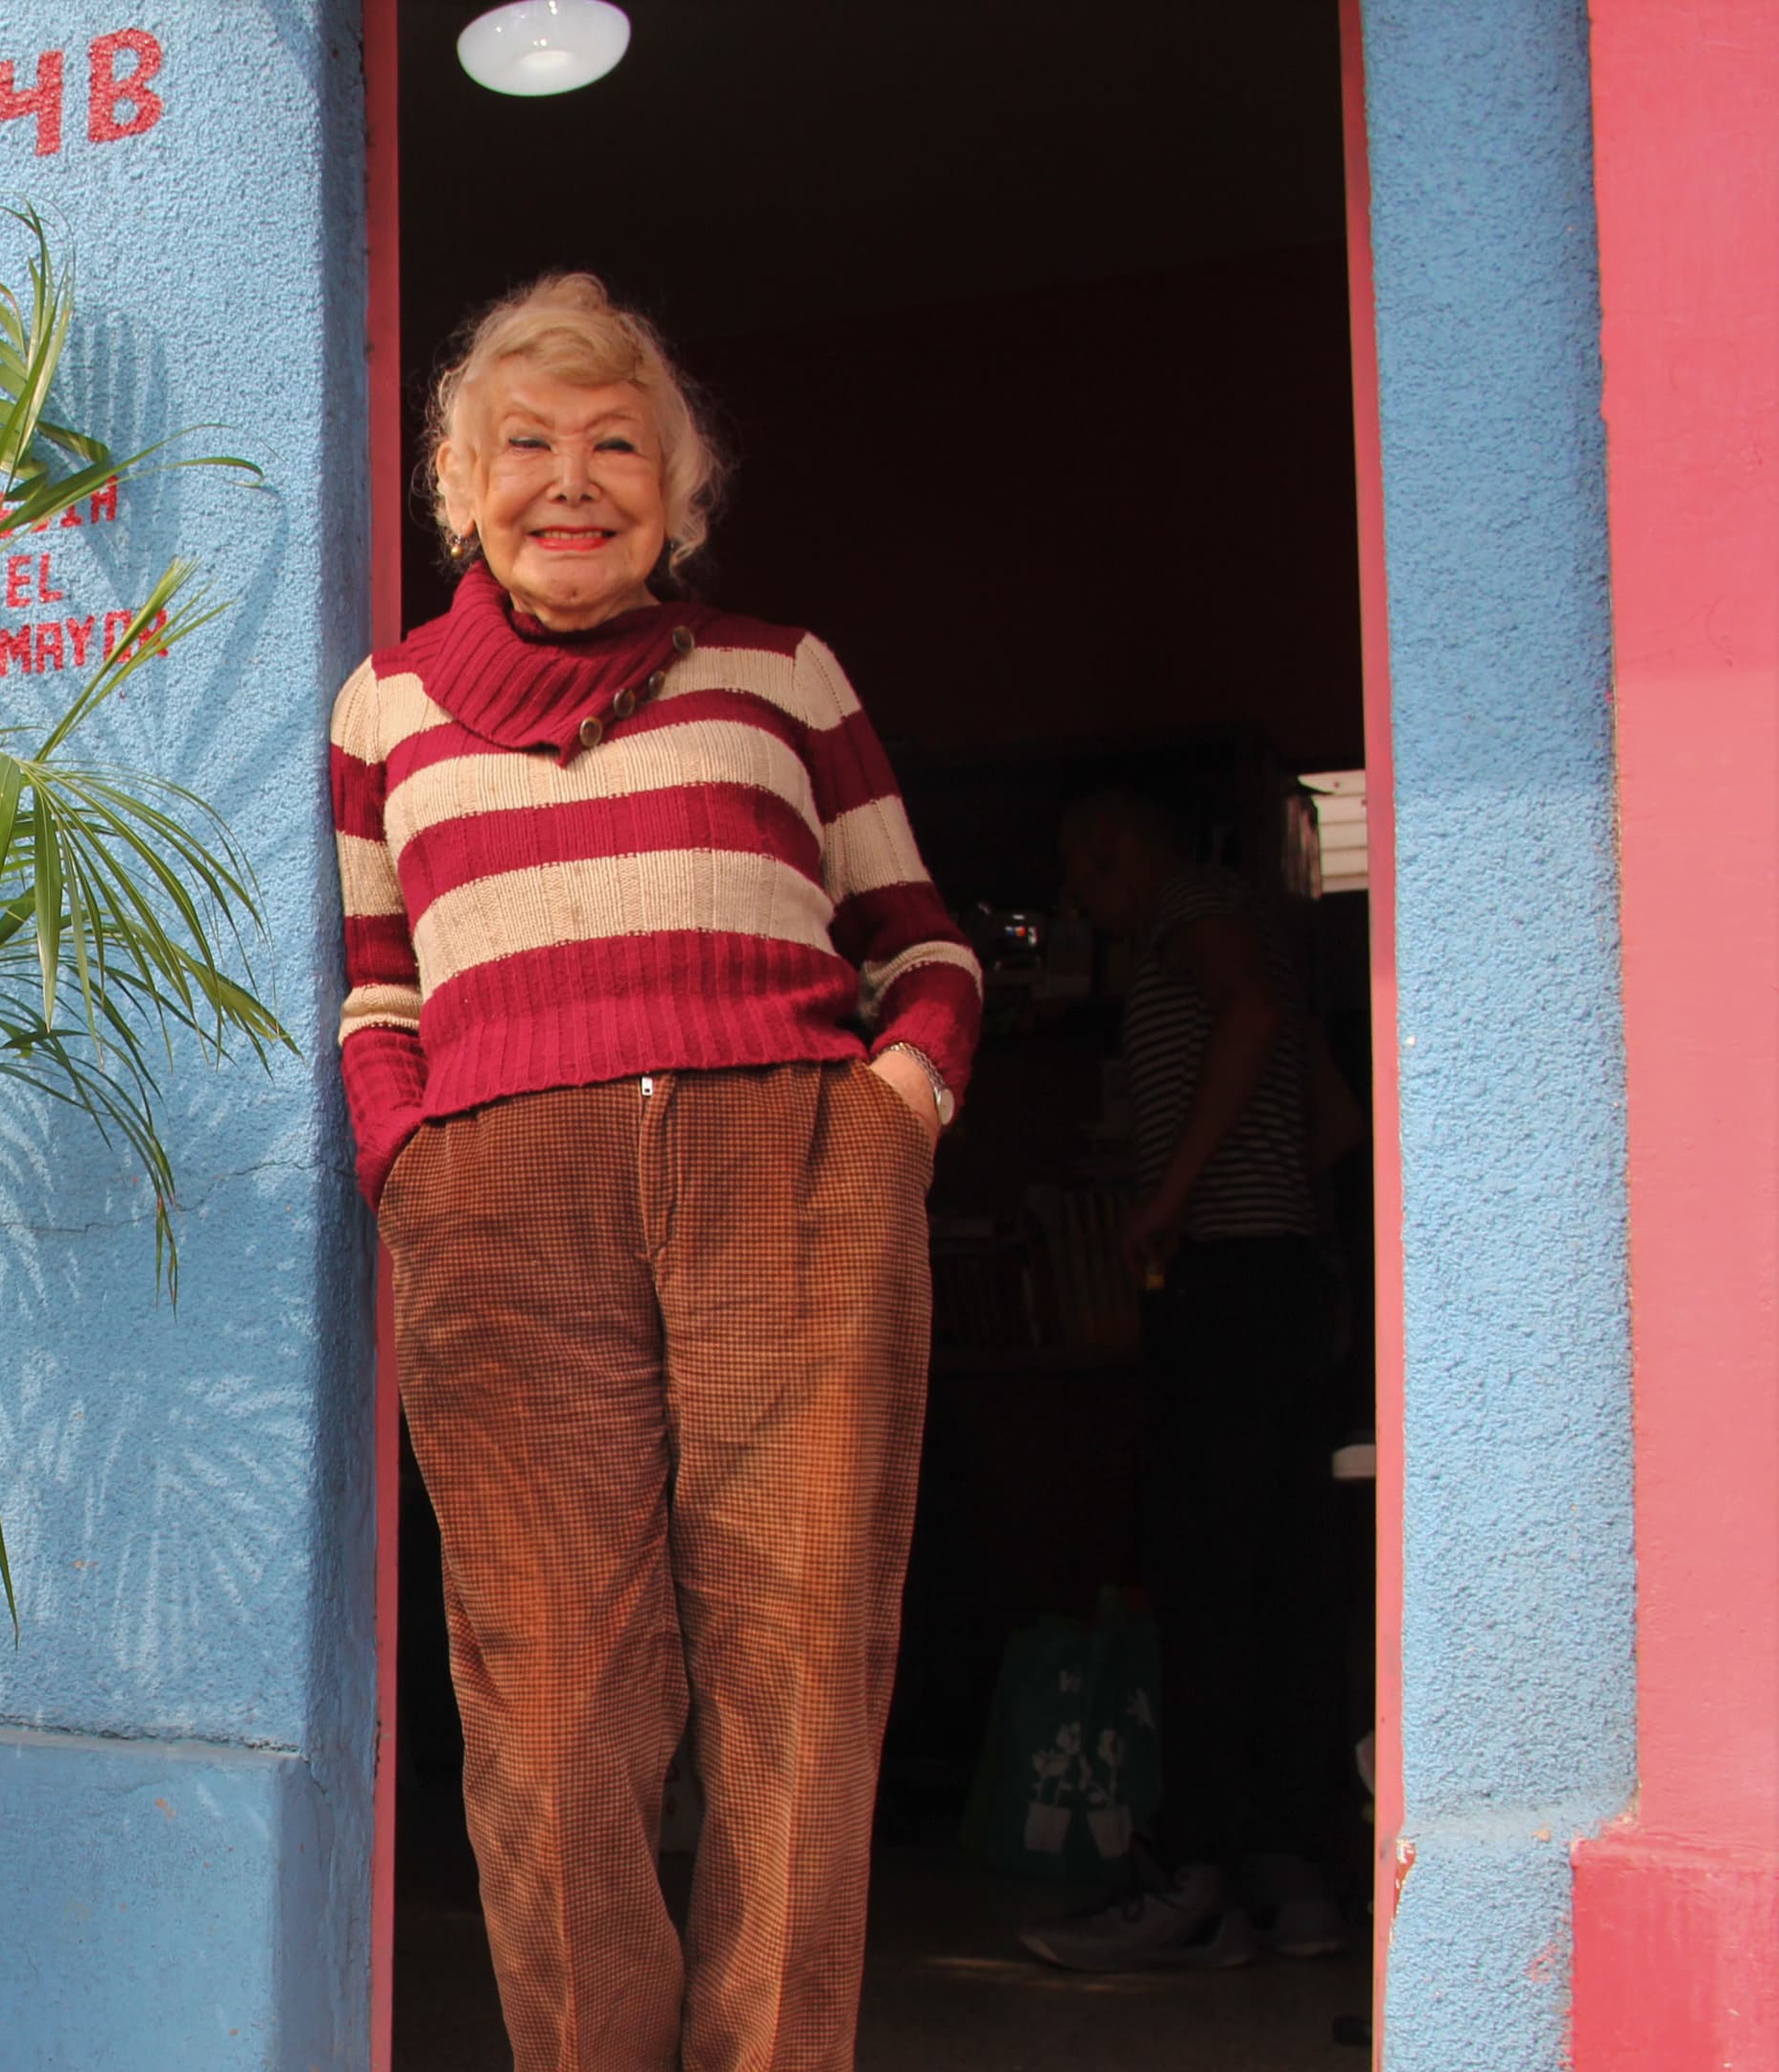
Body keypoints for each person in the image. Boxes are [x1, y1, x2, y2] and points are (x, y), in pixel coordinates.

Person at [336, 272, 981, 2072]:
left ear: (677, 494)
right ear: (460, 487)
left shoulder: (782, 673)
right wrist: (410, 1159)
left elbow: (920, 937)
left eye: (619, 447)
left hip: (790, 1178)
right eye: (525, 445)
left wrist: (896, 1110)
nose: (572, 480)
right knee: (549, 1714)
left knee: (801, 1675)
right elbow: (376, 980)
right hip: (503, 1211)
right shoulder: (384, 709)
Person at [1018, 793, 1353, 1971]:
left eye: (1080, 884)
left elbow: (1252, 1017)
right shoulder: (1250, 922)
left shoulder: (1196, 912)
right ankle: (1282, 1872)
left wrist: (1171, 1201)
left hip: (1225, 1280)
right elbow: (1333, 1115)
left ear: (1109, 842)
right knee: (1274, 1576)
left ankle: (1192, 1873)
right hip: (1277, 1278)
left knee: (1206, 1575)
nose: (1082, 912)